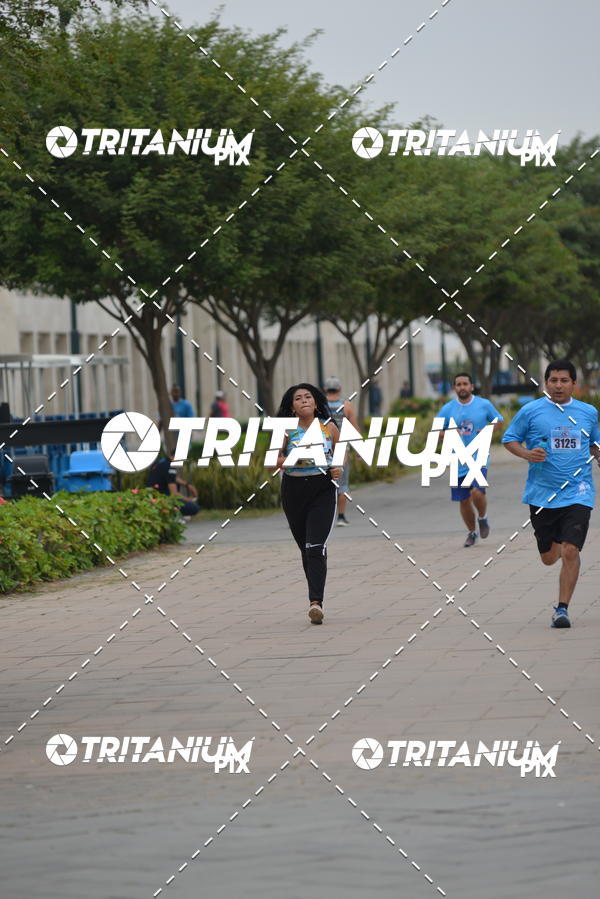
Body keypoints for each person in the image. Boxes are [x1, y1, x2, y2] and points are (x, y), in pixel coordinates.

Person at [502, 360, 600, 628]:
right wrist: (527, 453)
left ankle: (562, 609)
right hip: (542, 494)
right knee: (548, 558)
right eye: (553, 380)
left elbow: (594, 443)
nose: (558, 385)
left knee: (571, 549)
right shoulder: (531, 411)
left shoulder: (588, 412)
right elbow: (509, 439)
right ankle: (555, 545)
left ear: (574, 384)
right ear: (546, 383)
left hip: (578, 492)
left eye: (564, 380)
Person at [275, 383, 342, 624]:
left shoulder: (329, 427)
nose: (304, 400)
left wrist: (337, 467)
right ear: (292, 407)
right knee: (306, 548)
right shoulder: (285, 430)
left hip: (322, 489)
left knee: (315, 546)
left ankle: (316, 603)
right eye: (298, 398)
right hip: (293, 491)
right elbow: (273, 461)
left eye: (308, 397)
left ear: (315, 403)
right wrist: (296, 457)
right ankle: (315, 597)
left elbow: (340, 454)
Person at [436, 373, 504, 547]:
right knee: (464, 500)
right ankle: (472, 533)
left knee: (476, 492)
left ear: (472, 386)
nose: (462, 387)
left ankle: (482, 518)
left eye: (465, 384)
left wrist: (488, 429)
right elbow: (436, 432)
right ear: (454, 388)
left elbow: (499, 421)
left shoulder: (484, 404)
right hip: (457, 460)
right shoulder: (448, 409)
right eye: (458, 384)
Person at [323, 376, 358, 527]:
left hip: (324, 446)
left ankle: (324, 517)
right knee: (342, 483)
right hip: (341, 447)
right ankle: (341, 517)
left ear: (325, 389)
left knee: (324, 482)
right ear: (340, 389)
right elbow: (354, 428)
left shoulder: (321, 405)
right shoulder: (346, 405)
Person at [147, 451, 200, 518]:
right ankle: (174, 516)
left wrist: (187, 484)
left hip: (152, 497)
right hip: (163, 499)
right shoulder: (170, 467)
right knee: (195, 508)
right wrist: (189, 499)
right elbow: (174, 494)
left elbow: (172, 478)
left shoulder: (160, 462)